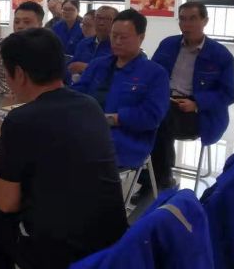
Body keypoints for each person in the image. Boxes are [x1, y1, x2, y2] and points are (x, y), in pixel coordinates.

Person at [0, 29, 127, 269]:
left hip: (65, 256)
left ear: (19, 74)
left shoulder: (21, 119)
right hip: (112, 240)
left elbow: (7, 204)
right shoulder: (89, 106)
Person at [149, 2, 234, 190]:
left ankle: (158, 179)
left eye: (193, 19)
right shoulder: (168, 44)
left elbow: (228, 94)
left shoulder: (221, 55)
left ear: (205, 21)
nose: (186, 24)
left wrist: (197, 104)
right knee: (145, 114)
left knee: (157, 120)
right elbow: (151, 74)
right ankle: (152, 175)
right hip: (165, 101)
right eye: (182, 19)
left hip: (197, 113)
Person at [73, 9, 170, 169]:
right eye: (114, 35)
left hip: (126, 140)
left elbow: (151, 117)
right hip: (88, 130)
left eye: (123, 37)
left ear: (141, 37)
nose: (117, 41)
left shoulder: (155, 74)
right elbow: (76, 95)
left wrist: (110, 119)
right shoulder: (98, 65)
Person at [0, 1, 44, 94]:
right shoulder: (1, 45)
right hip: (1, 97)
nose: (20, 26)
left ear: (40, 25)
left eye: (27, 22)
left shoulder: (46, 50)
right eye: (17, 22)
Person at [67, 6, 119, 83]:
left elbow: (117, 72)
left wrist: (87, 67)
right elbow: (72, 66)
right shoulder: (83, 43)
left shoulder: (118, 46)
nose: (101, 23)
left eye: (107, 19)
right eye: (98, 18)